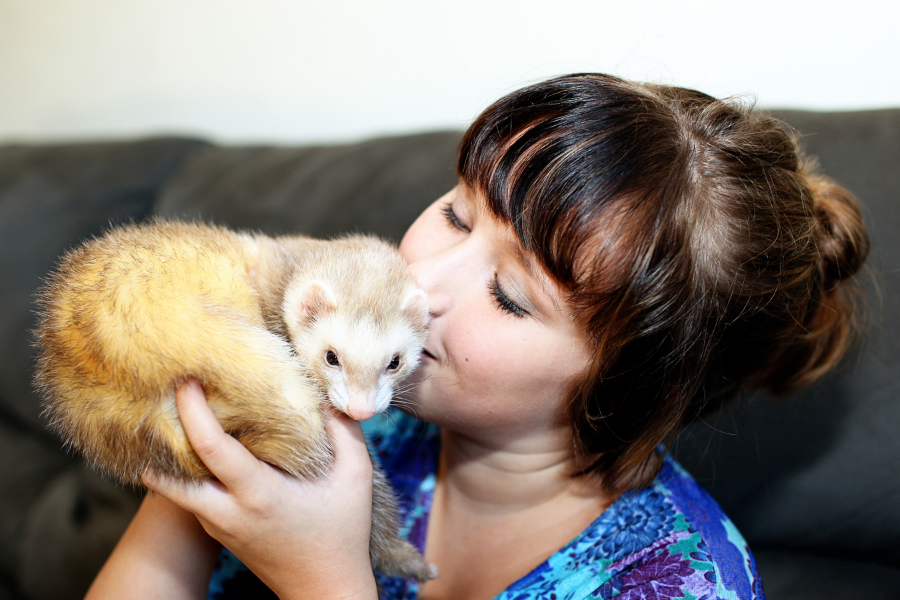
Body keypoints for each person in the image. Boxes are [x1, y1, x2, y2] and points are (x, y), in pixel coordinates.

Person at [84, 73, 868, 600]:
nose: (420, 285)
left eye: (508, 295)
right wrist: (191, 477)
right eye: (457, 213)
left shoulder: (677, 580)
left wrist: (319, 575)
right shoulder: (354, 386)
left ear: (630, 379)